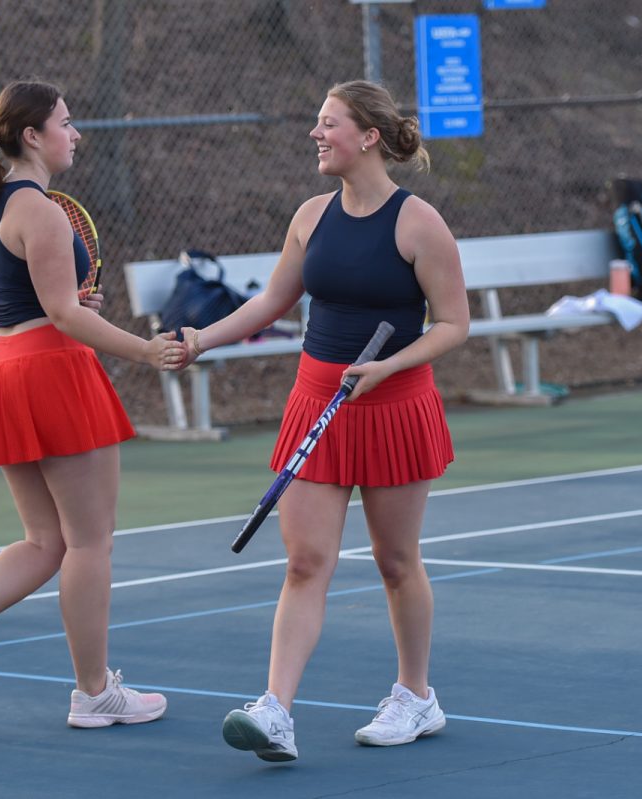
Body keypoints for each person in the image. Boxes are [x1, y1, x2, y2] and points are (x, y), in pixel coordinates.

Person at [174, 80, 470, 762]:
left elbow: (454, 324)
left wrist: (388, 368)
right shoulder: (311, 216)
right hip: (317, 401)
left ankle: (415, 696)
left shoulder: (417, 222)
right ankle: (275, 710)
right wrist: (201, 338)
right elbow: (272, 303)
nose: (316, 133)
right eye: (316, 121)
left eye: (328, 122)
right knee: (306, 561)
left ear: (367, 136)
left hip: (394, 404)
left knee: (397, 562)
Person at [0, 80, 185, 733]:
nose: (75, 132)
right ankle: (94, 693)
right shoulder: (43, 211)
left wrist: (60, 308)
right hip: (51, 372)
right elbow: (61, 312)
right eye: (65, 121)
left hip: (3, 368)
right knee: (91, 540)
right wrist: (145, 350)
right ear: (33, 136)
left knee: (45, 539)